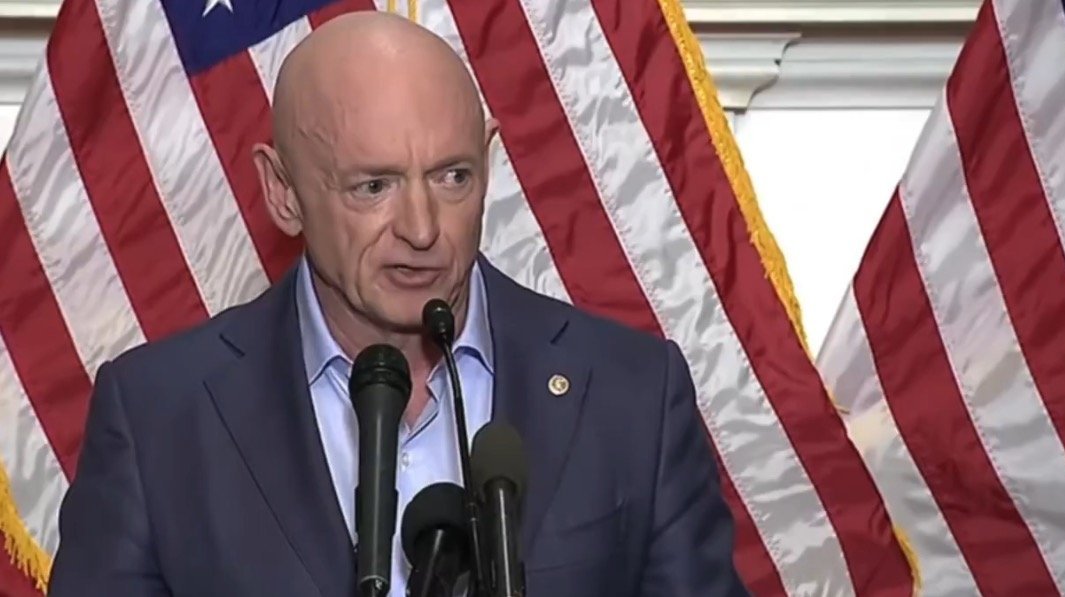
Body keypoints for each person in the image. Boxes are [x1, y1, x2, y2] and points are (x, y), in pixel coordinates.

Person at [47, 10, 747, 597]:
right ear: (282, 192)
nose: (420, 228)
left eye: (452, 175)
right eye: (372, 186)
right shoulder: (158, 417)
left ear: (490, 161)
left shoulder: (632, 395)